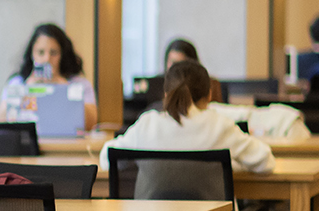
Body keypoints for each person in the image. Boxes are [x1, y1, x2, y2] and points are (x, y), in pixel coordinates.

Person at [101, 60, 273, 177]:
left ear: (166, 94)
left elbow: (106, 157)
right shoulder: (219, 125)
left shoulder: (148, 124)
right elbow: (265, 162)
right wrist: (234, 165)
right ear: (209, 95)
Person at [0, 22, 98, 130]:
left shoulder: (79, 84)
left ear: (62, 55)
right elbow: (2, 121)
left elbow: (92, 122)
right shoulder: (18, 83)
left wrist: (64, 89)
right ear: (32, 54)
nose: (47, 59)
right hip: (29, 143)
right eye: (41, 52)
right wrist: (26, 90)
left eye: (53, 53)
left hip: (67, 144)